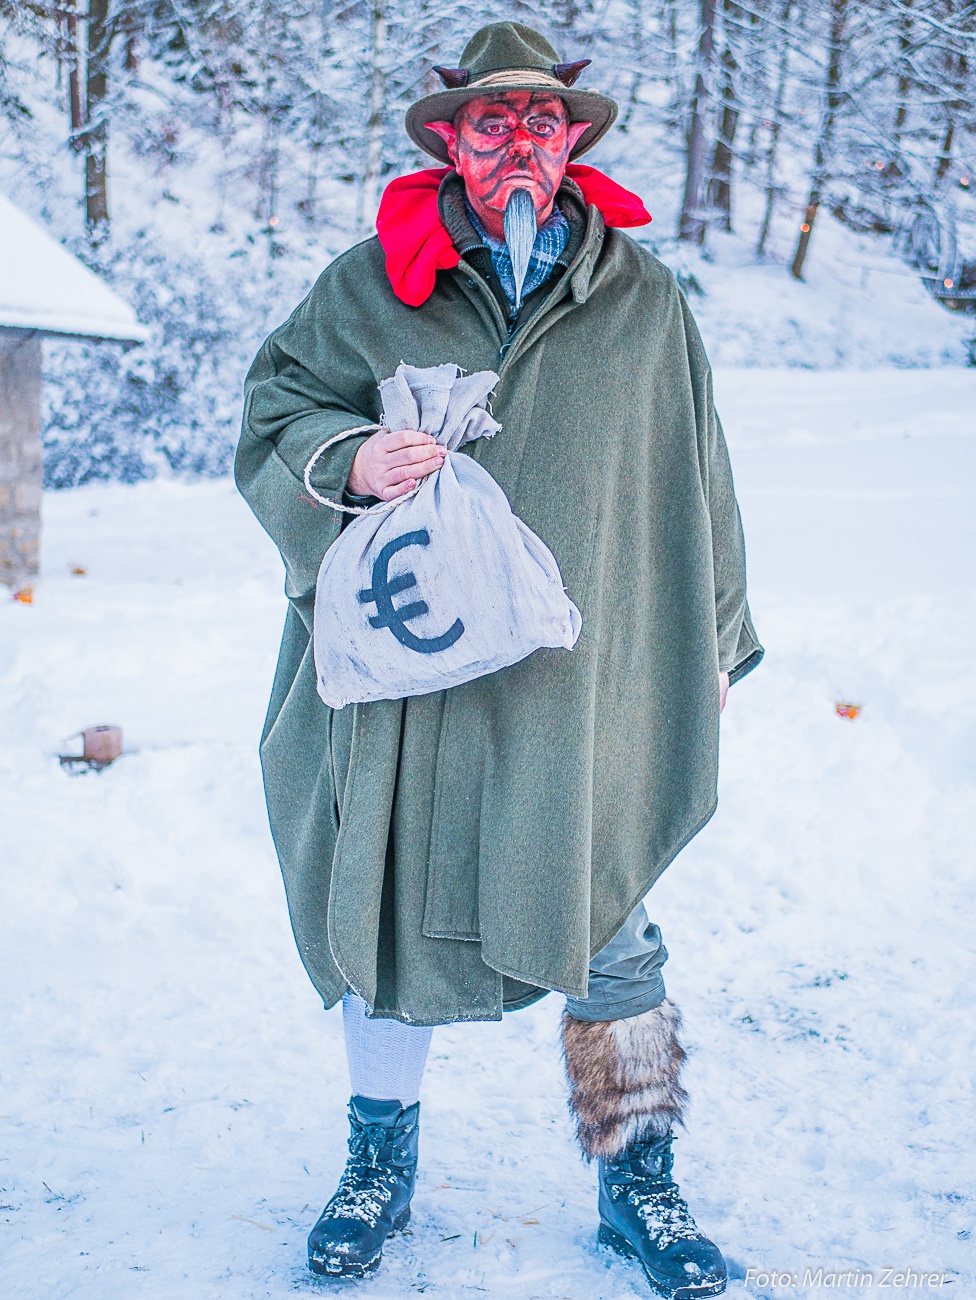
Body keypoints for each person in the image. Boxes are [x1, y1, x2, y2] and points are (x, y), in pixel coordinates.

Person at [236, 21, 762, 1299]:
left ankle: (637, 1176)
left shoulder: (640, 297)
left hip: (583, 666)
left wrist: (711, 629)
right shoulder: (367, 283)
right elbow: (276, 408)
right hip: (413, 665)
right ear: (452, 143)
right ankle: (378, 1166)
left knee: (609, 910)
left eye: (541, 125)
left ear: (570, 142)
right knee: (386, 898)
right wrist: (346, 459)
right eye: (490, 125)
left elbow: (692, 471)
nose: (517, 146)